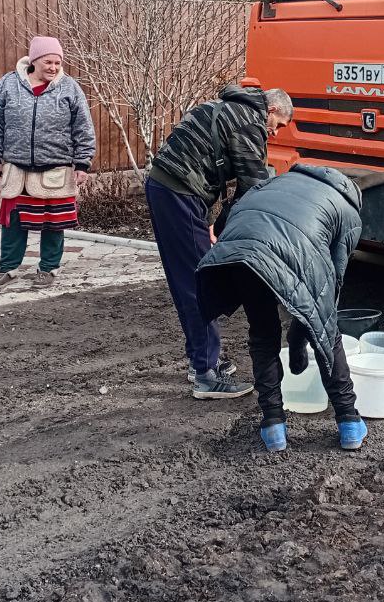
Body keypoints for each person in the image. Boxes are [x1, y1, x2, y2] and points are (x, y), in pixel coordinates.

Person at [196, 164, 366, 453]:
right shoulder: (348, 210)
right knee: (329, 332)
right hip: (291, 248)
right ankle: (349, 421)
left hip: (242, 253)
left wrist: (296, 340)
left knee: (263, 334)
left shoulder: (276, 183)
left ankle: (273, 426)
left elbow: (230, 217)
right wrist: (299, 340)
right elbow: (328, 293)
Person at [146, 84, 294, 398]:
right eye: (278, 125)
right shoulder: (250, 123)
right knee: (199, 282)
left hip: (167, 187)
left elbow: (215, 162)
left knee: (187, 278)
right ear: (270, 110)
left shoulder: (227, 106)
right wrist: (230, 229)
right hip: (179, 192)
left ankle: (200, 360)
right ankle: (205, 374)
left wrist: (214, 220)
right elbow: (253, 186)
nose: (276, 133)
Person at [0, 35, 95, 286]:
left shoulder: (69, 87)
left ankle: (49, 268)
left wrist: (83, 162)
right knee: (13, 222)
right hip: (17, 167)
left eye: (57, 62)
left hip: (56, 167)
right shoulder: (8, 84)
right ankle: (8, 268)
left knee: (53, 224)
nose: (54, 68)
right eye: (48, 62)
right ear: (34, 61)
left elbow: (83, 127)